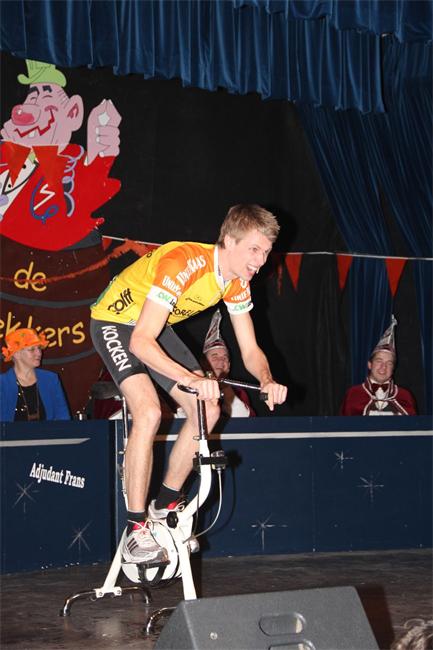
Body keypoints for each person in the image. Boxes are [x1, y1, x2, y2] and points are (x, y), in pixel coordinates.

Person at [90, 203, 287, 566]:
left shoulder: (237, 283)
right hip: (115, 322)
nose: (261, 261)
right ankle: (135, 531)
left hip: (154, 326)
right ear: (229, 241)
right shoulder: (184, 263)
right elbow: (140, 343)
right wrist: (192, 378)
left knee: (208, 409)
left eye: (266, 252)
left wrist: (267, 379)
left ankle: (165, 505)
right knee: (149, 412)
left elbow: (250, 349)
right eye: (254, 250)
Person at [340, 316, 417, 416]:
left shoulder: (405, 396)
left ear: (393, 368)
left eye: (389, 363)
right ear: (369, 365)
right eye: (379, 361)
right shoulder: (353, 395)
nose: (383, 367)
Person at [0, 328, 71, 421]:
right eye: (32, 349)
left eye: (39, 348)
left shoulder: (51, 379)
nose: (39, 353)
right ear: (17, 354)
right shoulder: (2, 384)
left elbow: (63, 418)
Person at [201, 308, 255, 417]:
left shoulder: (238, 391)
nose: (221, 360)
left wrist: (225, 388)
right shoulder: (192, 387)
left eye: (225, 358)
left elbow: (246, 419)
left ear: (229, 366)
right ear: (203, 363)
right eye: (215, 357)